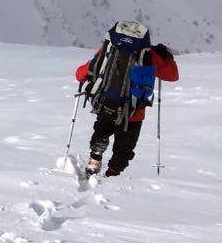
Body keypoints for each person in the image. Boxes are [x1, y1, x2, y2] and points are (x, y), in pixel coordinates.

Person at [75, 24, 179, 177]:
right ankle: (113, 174)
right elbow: (173, 76)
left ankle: (94, 160)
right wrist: (166, 57)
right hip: (134, 111)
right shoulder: (150, 54)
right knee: (124, 146)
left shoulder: (110, 49)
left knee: (101, 132)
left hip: (106, 103)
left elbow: (82, 72)